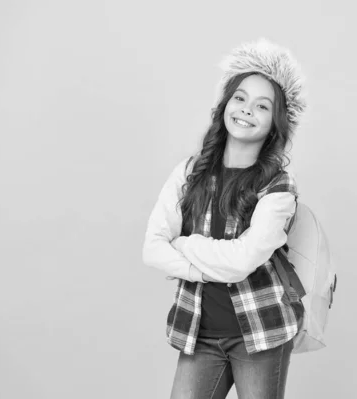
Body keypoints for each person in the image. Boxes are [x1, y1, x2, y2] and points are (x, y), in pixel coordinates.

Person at [142, 38, 307, 399]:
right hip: (199, 332)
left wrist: (186, 245)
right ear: (225, 105)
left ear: (275, 124)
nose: (247, 110)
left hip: (261, 332)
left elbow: (241, 263)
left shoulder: (278, 187)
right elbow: (152, 249)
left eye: (262, 106)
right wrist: (203, 269)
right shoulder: (190, 173)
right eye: (240, 98)